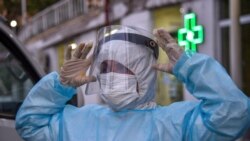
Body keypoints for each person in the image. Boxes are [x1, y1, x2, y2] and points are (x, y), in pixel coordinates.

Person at [15, 26, 250, 141]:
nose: (112, 75)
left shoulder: (176, 125)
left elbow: (234, 113)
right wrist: (59, 86)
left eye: (123, 67)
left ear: (146, 72)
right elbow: (29, 124)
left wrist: (190, 67)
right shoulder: (76, 121)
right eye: (106, 67)